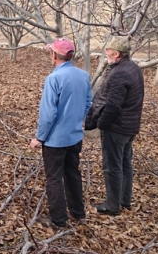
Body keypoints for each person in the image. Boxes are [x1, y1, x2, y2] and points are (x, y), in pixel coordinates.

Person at [29, 39, 92, 229]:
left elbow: (48, 114)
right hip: (74, 137)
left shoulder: (53, 79)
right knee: (73, 174)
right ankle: (78, 213)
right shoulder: (83, 75)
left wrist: (39, 137)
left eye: (51, 53)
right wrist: (76, 121)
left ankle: (58, 220)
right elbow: (89, 102)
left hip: (55, 140)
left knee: (54, 178)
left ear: (55, 55)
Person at [85, 35, 144, 216]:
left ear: (117, 54)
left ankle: (112, 206)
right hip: (129, 126)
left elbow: (112, 105)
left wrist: (101, 124)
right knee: (125, 163)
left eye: (108, 51)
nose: (106, 53)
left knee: (112, 166)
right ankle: (124, 200)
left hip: (117, 128)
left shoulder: (120, 73)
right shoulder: (133, 67)